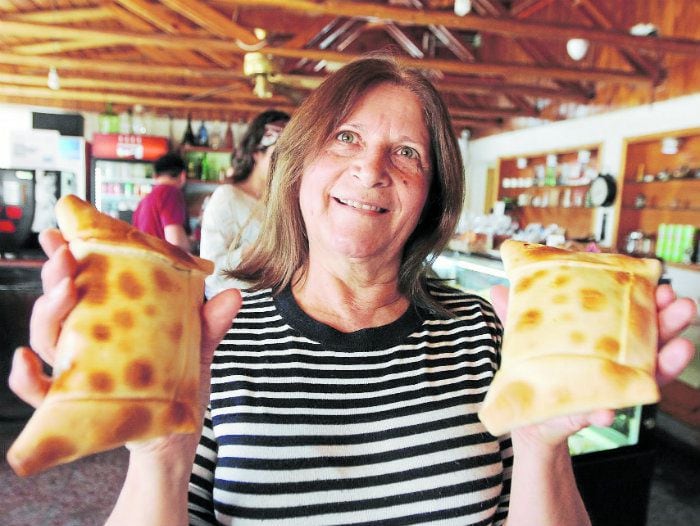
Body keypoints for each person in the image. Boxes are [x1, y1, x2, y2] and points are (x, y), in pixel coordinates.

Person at [10, 56, 697, 526]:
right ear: (301, 163)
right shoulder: (212, 333)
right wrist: (159, 453)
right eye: (346, 138)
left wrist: (546, 444)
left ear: (430, 196)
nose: (372, 168)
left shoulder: (483, 332)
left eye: (407, 153)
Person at [200, 110, 290, 298]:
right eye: (278, 155)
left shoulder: (284, 202)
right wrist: (255, 251)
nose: (285, 164)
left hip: (275, 309)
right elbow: (211, 271)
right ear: (257, 153)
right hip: (236, 312)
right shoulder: (228, 197)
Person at [132, 151, 190, 253]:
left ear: (155, 176)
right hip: (161, 266)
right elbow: (176, 244)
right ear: (183, 176)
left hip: (144, 265)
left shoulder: (143, 201)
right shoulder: (171, 192)